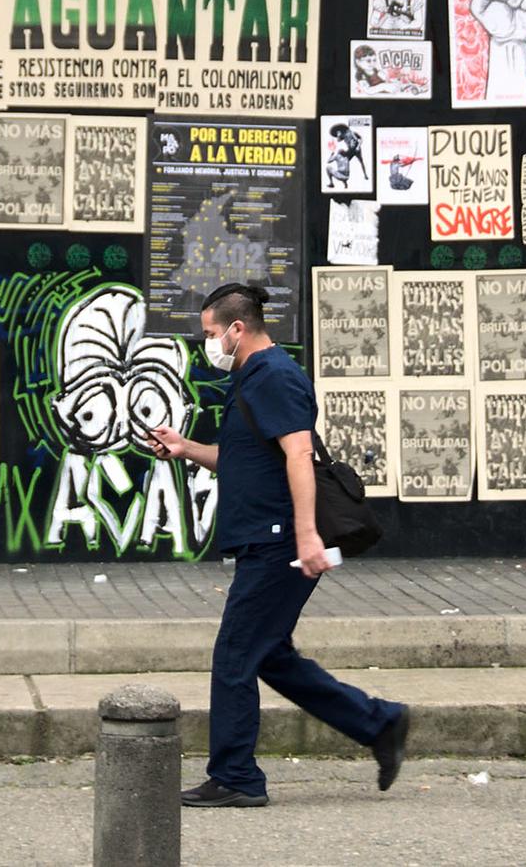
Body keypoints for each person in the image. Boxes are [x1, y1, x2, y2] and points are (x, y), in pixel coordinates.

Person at [149, 284, 408, 808]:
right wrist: (187, 448)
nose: (209, 344)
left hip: (278, 542)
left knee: (235, 655)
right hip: (265, 539)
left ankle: (236, 776)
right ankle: (380, 723)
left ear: (236, 329)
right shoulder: (253, 377)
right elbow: (244, 460)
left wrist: (307, 535)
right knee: (269, 655)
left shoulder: (274, 376)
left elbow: (299, 453)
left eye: (210, 333)